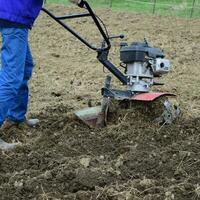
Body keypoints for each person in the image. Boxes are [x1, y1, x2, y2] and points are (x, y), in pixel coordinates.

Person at [0, 0, 44, 150]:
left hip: (11, 12)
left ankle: (15, 117)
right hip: (14, 14)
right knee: (12, 77)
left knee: (25, 67)